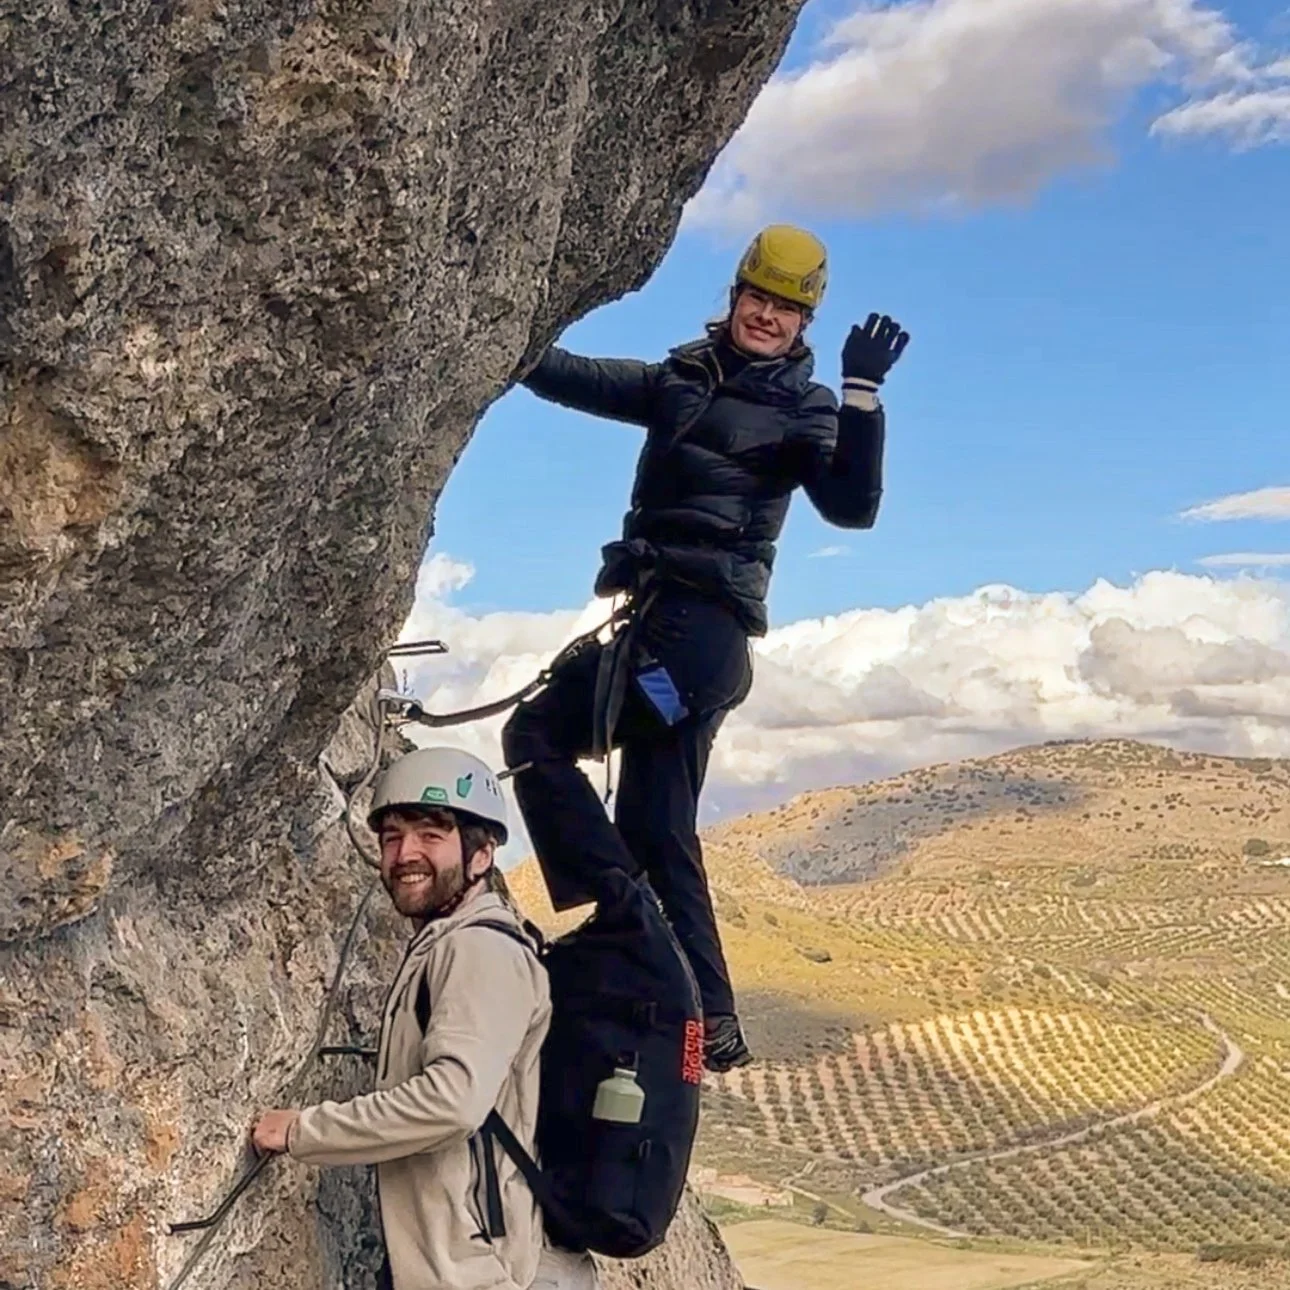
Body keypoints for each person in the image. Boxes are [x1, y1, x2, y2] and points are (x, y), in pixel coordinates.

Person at [502, 224, 910, 1074]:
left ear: (807, 324)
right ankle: (708, 1017)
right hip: (667, 627)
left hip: (698, 640)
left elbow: (852, 507)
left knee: (537, 733)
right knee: (656, 822)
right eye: (758, 298)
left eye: (787, 309)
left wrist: (863, 395)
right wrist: (504, 340)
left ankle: (625, 924)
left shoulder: (806, 410)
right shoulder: (679, 379)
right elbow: (576, 379)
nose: (767, 317)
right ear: (734, 298)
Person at [250, 746, 598, 1290]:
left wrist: (302, 1130)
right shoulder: (445, 944)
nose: (405, 852)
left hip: (476, 1272)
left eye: (430, 835)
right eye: (392, 836)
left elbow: (450, 1103)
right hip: (448, 1265)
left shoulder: (481, 951)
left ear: (481, 855)